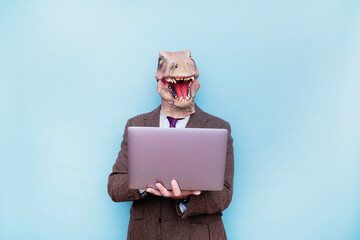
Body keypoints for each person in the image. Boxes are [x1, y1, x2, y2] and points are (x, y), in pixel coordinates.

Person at [108, 50, 234, 240]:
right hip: (146, 234)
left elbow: (224, 195)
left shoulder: (219, 128)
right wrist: (145, 182)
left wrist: (185, 197)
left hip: (200, 234)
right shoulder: (136, 125)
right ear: (159, 82)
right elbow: (114, 187)